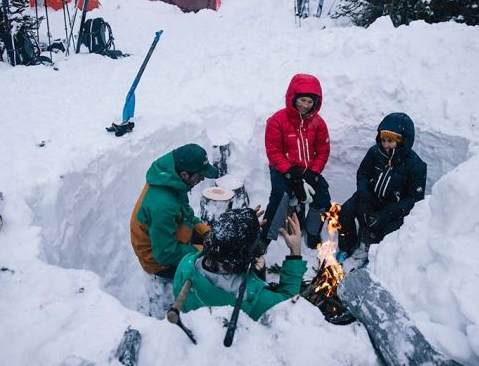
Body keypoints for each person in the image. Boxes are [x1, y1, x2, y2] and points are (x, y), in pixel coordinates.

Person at [172, 208, 306, 321]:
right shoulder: (253, 299)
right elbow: (288, 303)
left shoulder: (187, 264)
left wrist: (241, 232)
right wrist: (295, 252)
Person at [337, 112, 427, 262]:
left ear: (403, 141)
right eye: (383, 140)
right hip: (372, 195)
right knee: (346, 211)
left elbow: (414, 199)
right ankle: (347, 246)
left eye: (391, 141)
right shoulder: (375, 152)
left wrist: (386, 215)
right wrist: (364, 195)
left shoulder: (416, 165)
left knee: (384, 232)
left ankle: (374, 259)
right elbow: (363, 173)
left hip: (394, 206)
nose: (386, 145)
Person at [261, 73, 331, 249]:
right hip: (282, 169)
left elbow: (323, 150)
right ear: (293, 98)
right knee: (281, 196)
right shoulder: (277, 120)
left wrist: (312, 174)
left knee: (322, 196)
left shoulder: (318, 123)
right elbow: (274, 152)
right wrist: (293, 176)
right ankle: (265, 237)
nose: (305, 106)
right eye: (302, 100)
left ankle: (313, 231)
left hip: (308, 170)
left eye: (310, 102)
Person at [130, 143, 219, 279]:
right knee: (213, 269)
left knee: (214, 242)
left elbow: (186, 214)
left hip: (167, 237)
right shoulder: (163, 205)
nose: (202, 179)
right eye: (200, 174)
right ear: (184, 174)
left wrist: (205, 231)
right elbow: (165, 255)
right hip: (158, 261)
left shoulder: (172, 182)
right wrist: (203, 252)